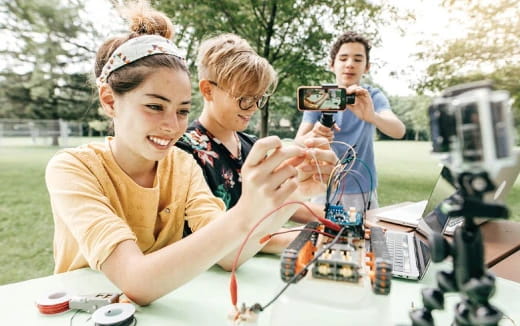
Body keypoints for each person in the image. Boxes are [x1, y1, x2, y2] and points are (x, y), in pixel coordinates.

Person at [45, 2, 336, 306]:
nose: (172, 126)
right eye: (155, 106)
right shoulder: (72, 169)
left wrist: (286, 197)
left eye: (183, 110)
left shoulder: (181, 165)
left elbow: (229, 254)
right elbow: (136, 281)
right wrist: (247, 210)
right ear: (109, 100)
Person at [175, 33, 326, 231]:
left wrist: (345, 224)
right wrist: (320, 238)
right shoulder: (183, 152)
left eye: (258, 98)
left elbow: (285, 204)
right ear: (208, 90)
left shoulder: (252, 145)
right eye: (245, 98)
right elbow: (219, 236)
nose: (254, 107)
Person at [295, 31, 406, 211]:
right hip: (324, 185)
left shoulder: (372, 96)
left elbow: (399, 130)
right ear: (332, 65)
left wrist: (372, 116)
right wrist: (314, 134)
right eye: (343, 58)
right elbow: (298, 141)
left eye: (358, 59)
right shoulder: (319, 97)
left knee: (365, 236)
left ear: (367, 66)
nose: (349, 64)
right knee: (322, 236)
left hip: (362, 186)